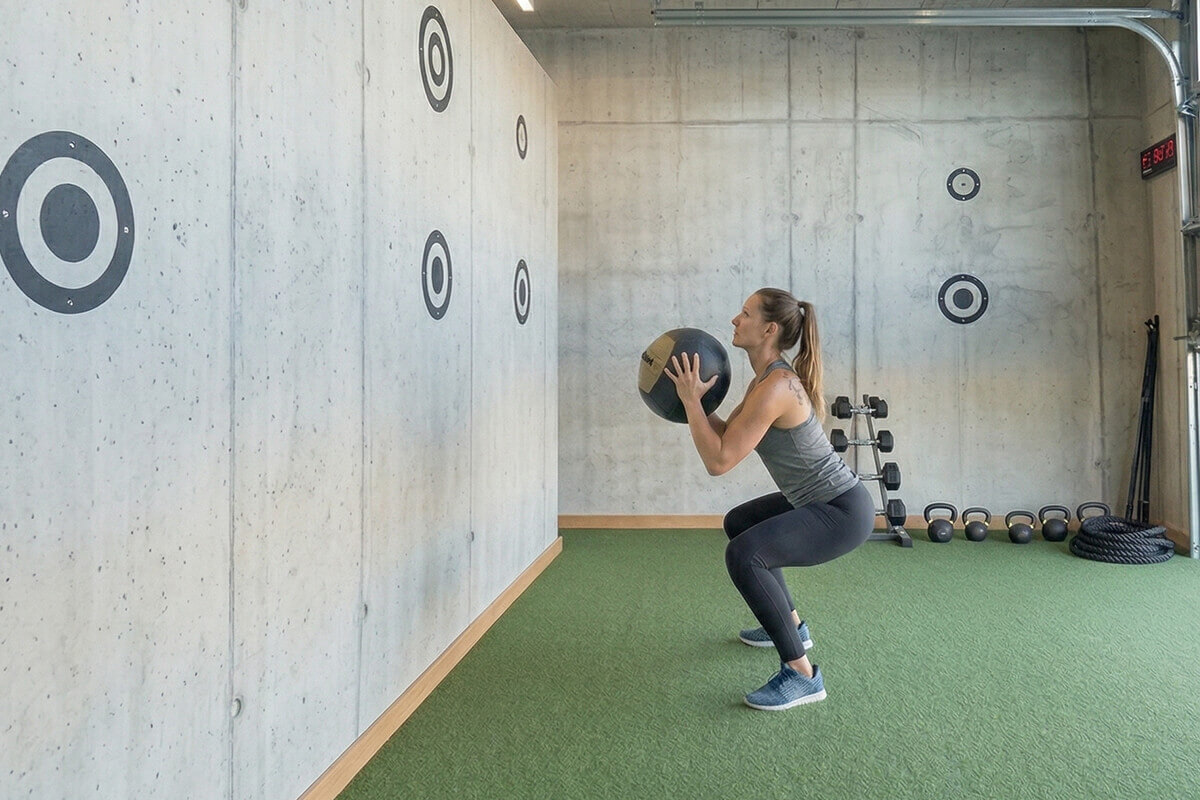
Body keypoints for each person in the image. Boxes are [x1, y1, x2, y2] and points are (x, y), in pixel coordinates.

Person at [665, 287, 874, 711]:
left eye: (744, 314)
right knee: (740, 523)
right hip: (821, 502)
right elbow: (727, 436)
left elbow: (719, 461)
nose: (734, 321)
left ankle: (801, 675)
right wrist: (698, 403)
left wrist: (690, 404)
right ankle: (792, 626)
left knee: (745, 555)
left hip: (841, 511)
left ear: (768, 329)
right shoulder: (765, 380)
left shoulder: (776, 387)